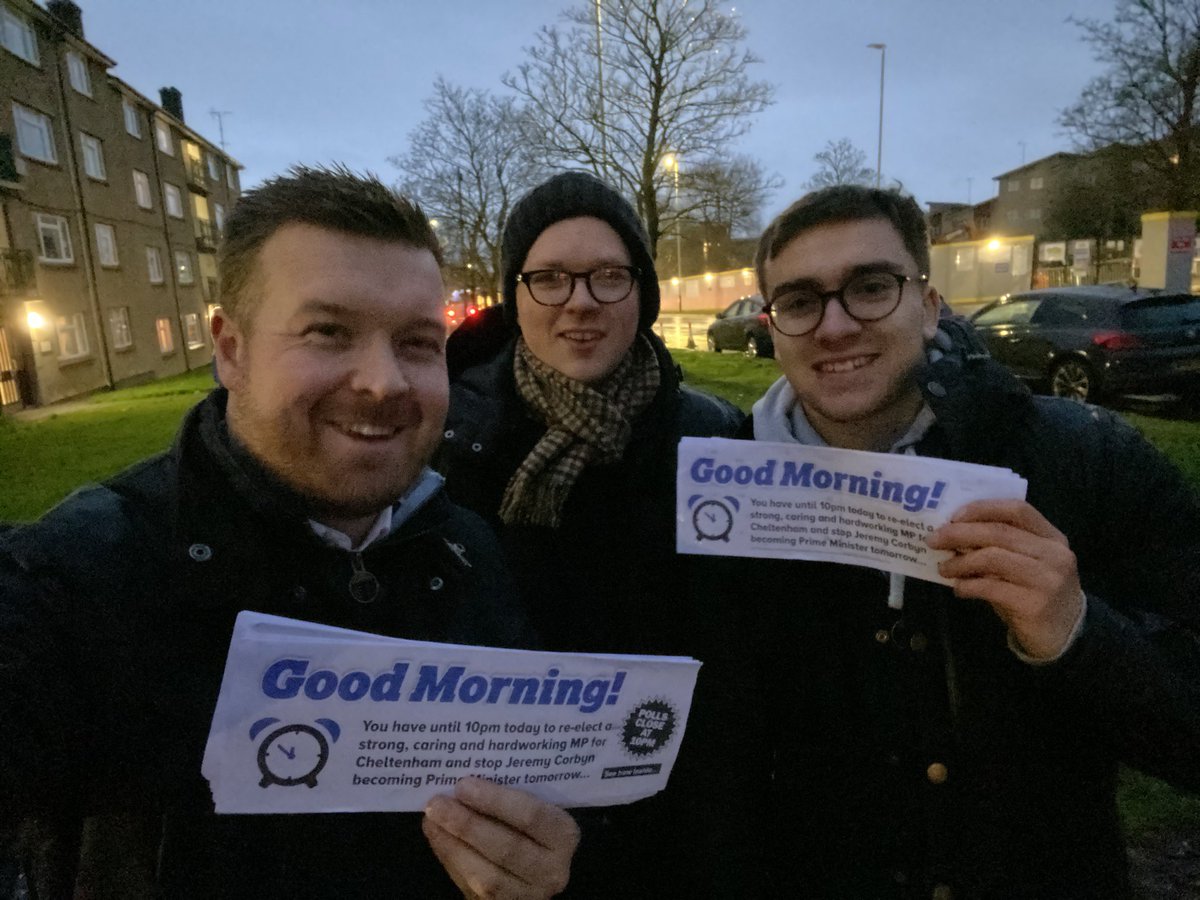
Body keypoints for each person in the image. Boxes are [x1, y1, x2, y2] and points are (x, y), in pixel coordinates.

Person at [0, 166, 580, 899]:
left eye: (416, 342)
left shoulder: (471, 552)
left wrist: (541, 864)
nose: (384, 382)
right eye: (328, 332)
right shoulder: (76, 576)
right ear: (231, 349)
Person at [735, 184, 1200, 898]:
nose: (835, 326)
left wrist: (1078, 633)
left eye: (871, 287)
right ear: (772, 326)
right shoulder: (723, 497)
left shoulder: (1083, 460)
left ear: (929, 303)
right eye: (800, 301)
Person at [436, 172, 751, 896]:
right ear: (516, 296)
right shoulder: (446, 441)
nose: (579, 301)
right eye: (549, 277)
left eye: (608, 276)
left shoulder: (713, 438)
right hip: (513, 842)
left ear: (641, 293)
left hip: (688, 828)